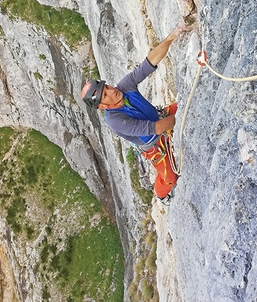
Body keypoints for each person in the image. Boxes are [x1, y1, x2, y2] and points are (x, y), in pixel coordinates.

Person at [81, 23, 192, 206]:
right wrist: (184, 119)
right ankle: (161, 195)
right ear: (101, 106)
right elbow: (155, 128)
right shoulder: (114, 120)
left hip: (160, 118)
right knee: (170, 177)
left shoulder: (124, 87)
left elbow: (149, 63)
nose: (111, 90)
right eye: (105, 94)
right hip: (155, 144)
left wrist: (173, 35)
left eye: (106, 87)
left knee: (186, 105)